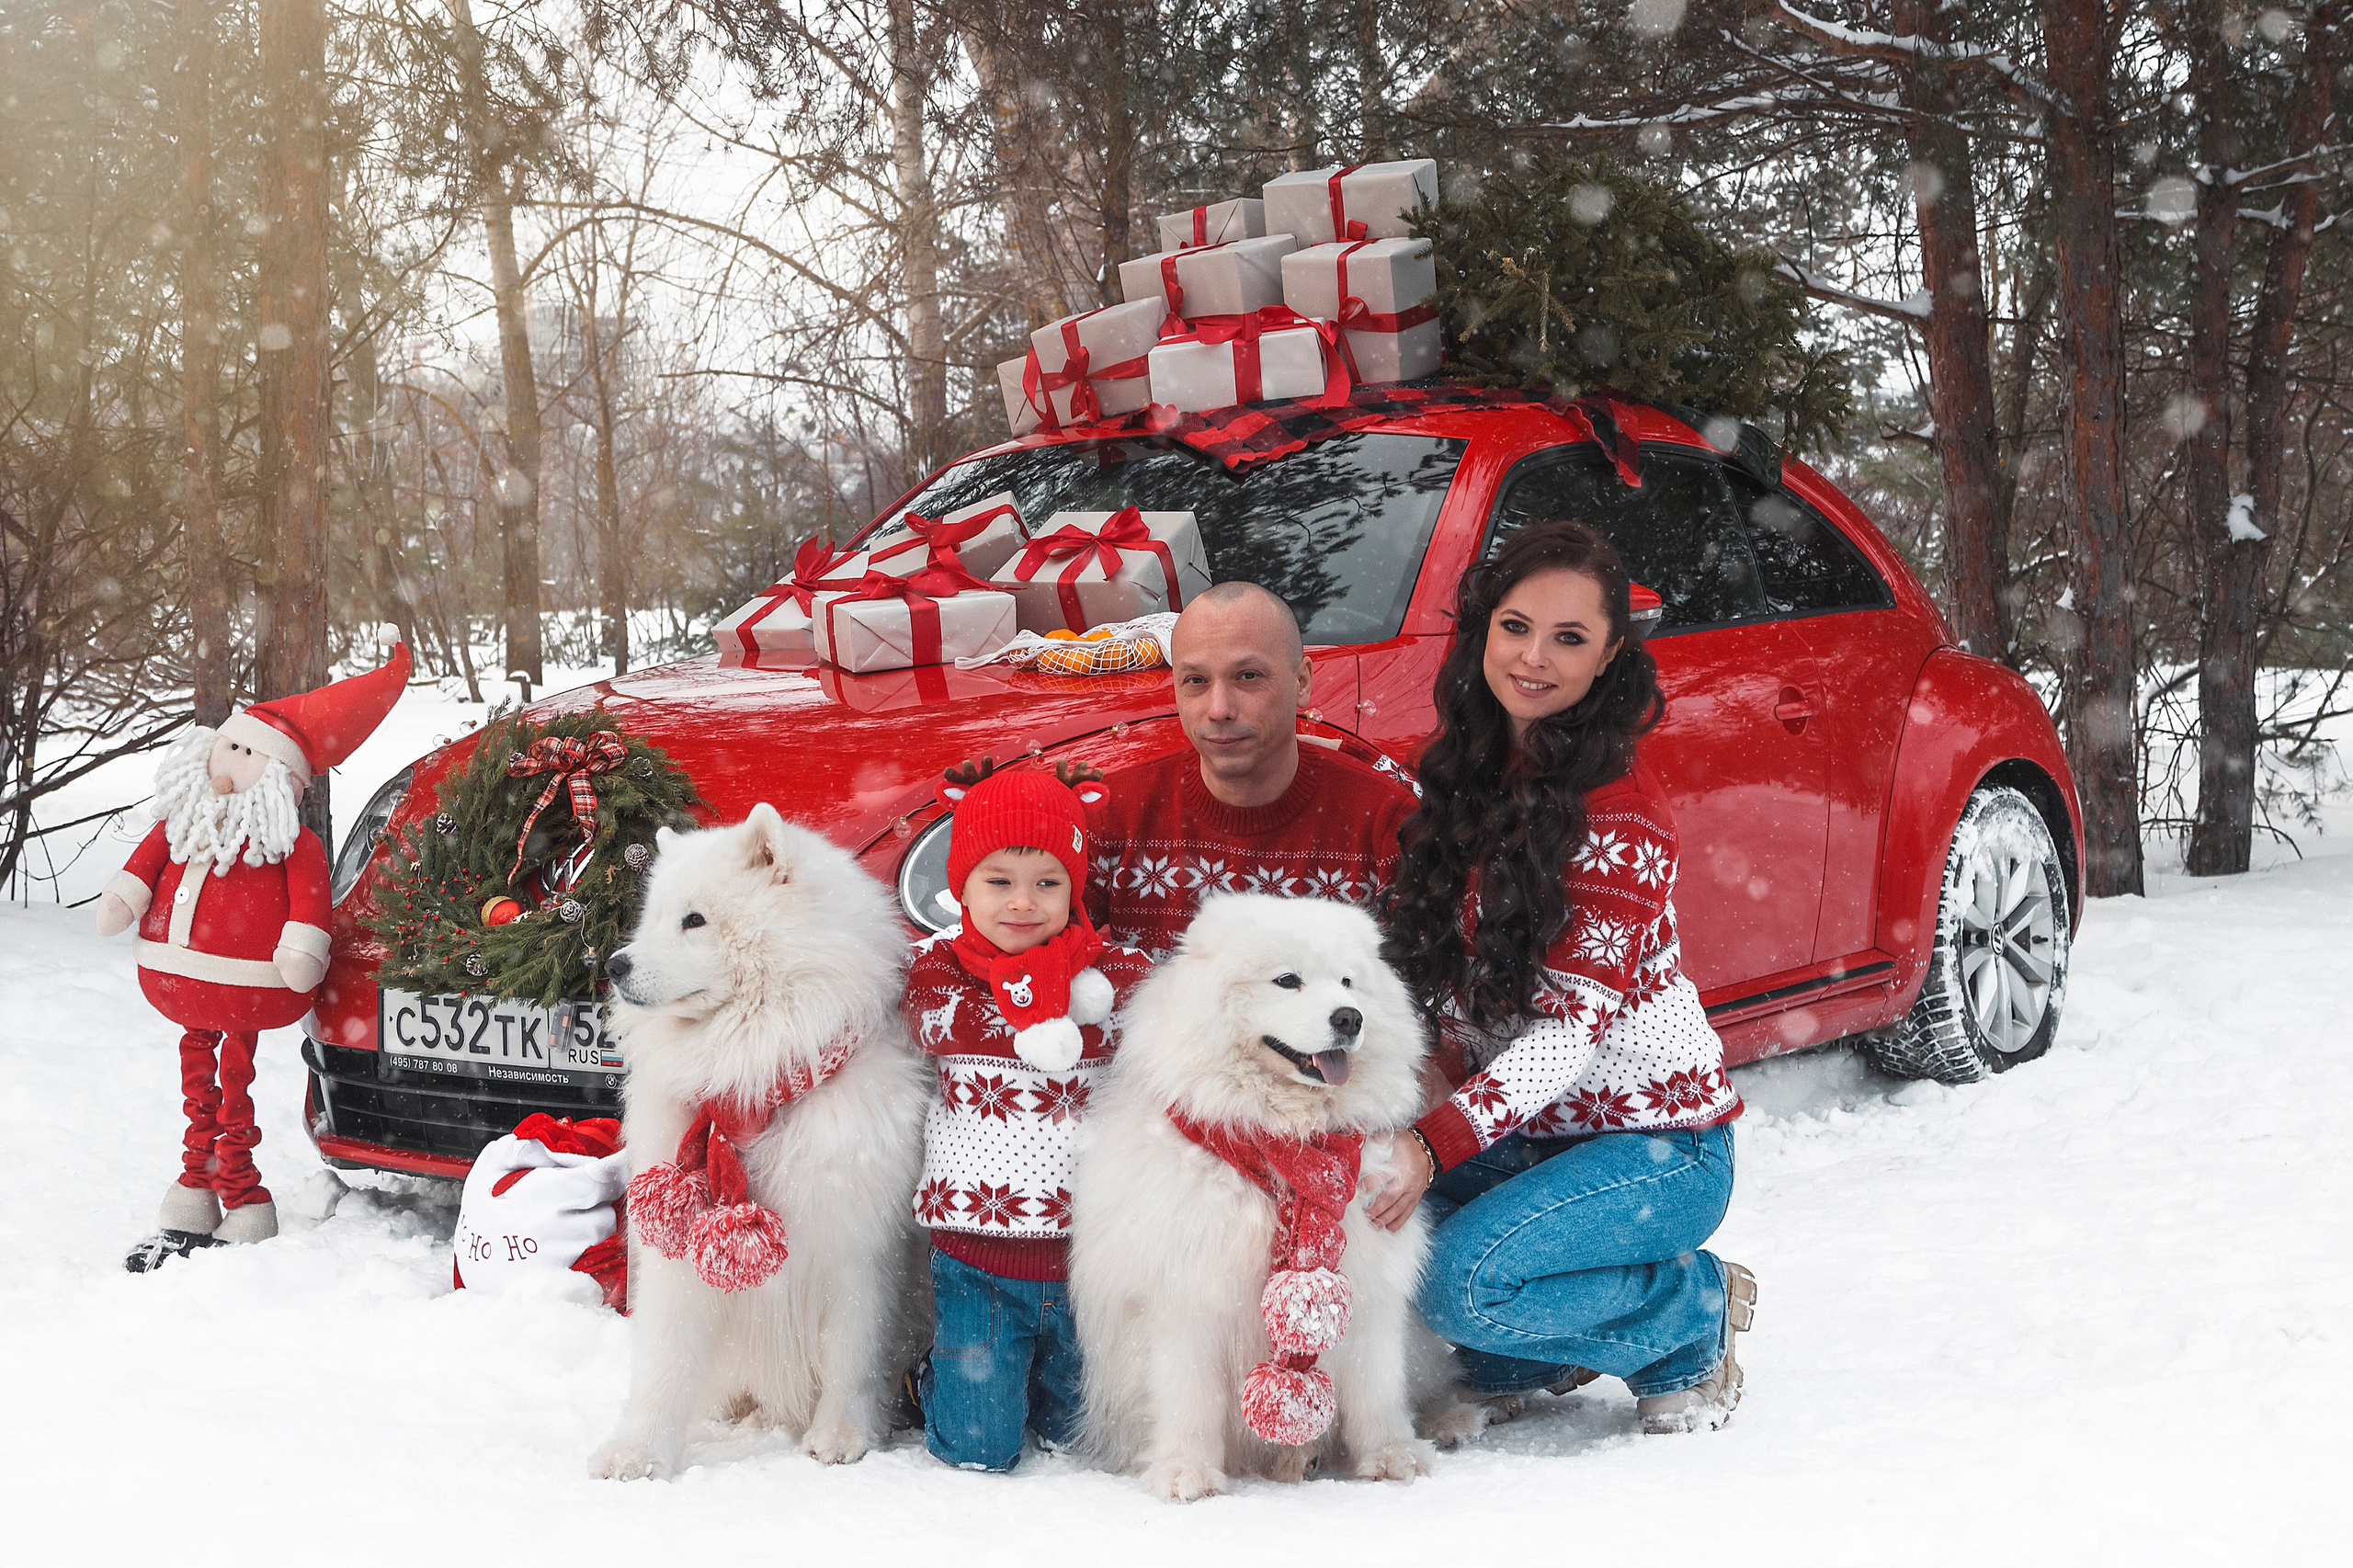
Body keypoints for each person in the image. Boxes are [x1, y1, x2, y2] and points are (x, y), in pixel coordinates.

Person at [1366, 520, 1756, 1435]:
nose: (1533, 657)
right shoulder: (1469, 768)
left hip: (1654, 1143)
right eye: (1515, 626)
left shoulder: (1620, 810)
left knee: (1463, 1283)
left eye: (1568, 638)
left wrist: (1429, 1144)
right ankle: (1546, 1331)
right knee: (1377, 1231)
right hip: (1526, 1142)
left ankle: (1689, 1308)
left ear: (1610, 655)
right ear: (1482, 628)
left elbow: (1567, 1033)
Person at [900, 764, 1154, 1471]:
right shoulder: (938, 968)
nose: (1023, 903)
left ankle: (1033, 1381)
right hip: (979, 1256)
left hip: (1087, 1258)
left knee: (1084, 1437)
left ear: (1074, 887)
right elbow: (944, 1026)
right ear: (961, 886)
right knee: (981, 1447)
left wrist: (1070, 997)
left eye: (1047, 882)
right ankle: (936, 1381)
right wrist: (1051, 1002)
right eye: (999, 881)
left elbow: (1155, 1024)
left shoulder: (1116, 969)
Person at [1086, 581, 1419, 958]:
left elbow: (1429, 1003)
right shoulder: (1112, 813)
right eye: (1196, 681)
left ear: (1302, 682)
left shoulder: (1388, 822)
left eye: (1248, 676)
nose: (1219, 709)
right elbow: (1023, 967)